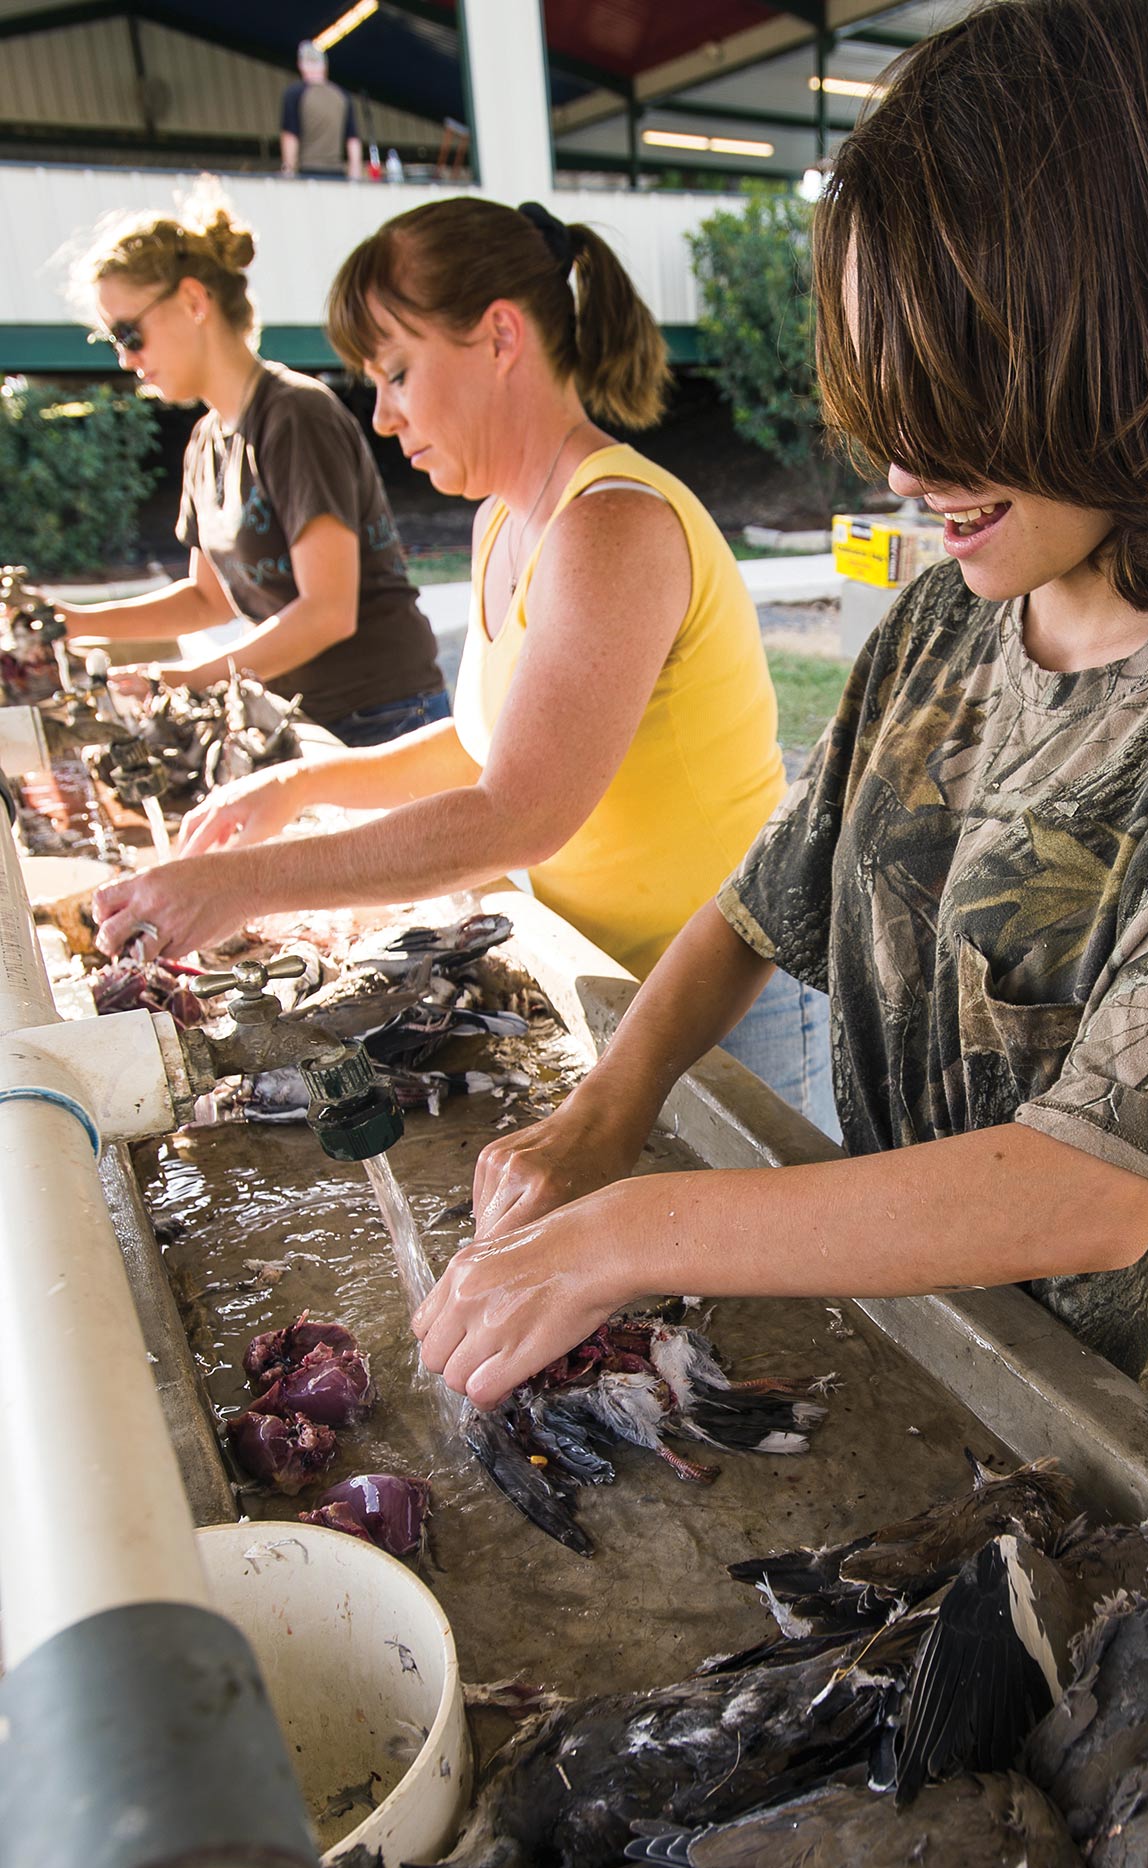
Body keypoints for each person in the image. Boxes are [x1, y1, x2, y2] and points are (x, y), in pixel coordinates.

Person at [408, 0, 1148, 1480]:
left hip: (1131, 1452)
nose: (904, 466)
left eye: (952, 400)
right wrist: (603, 1115)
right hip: (932, 1357)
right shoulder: (941, 624)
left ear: (1126, 331)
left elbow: (1096, 1185)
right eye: (888, 400)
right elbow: (759, 906)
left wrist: (635, 1231)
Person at [93, 197, 836, 1132]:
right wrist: (295, 783)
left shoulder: (613, 525)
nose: (383, 415)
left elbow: (517, 811)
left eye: (398, 372)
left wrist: (242, 882)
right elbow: (491, 742)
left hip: (731, 998)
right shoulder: (503, 520)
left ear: (498, 335)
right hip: (616, 980)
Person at [58, 199, 446, 747]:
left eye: (129, 333)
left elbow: (328, 612)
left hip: (382, 716)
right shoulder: (205, 442)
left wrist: (180, 681)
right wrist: (71, 621)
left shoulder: (295, 415)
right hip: (302, 717)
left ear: (194, 300)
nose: (125, 358)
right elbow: (207, 600)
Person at [280, 42, 362, 182]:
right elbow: (353, 139)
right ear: (324, 66)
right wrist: (355, 176)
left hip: (307, 172)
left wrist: (288, 172)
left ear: (301, 64)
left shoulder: (295, 93)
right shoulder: (342, 95)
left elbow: (290, 136)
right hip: (337, 173)